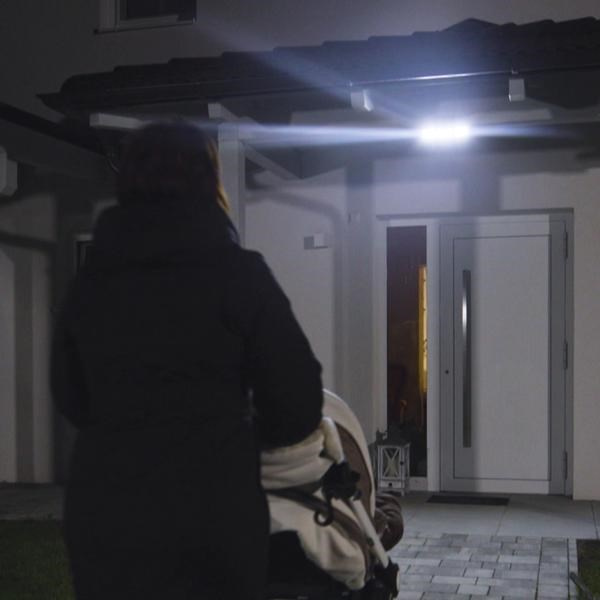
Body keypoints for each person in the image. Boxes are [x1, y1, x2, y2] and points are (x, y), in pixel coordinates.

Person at [51, 121, 324, 600]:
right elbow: (298, 400)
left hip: (107, 509)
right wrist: (239, 439)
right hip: (211, 508)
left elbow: (70, 394)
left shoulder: (91, 283)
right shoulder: (239, 275)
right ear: (209, 178)